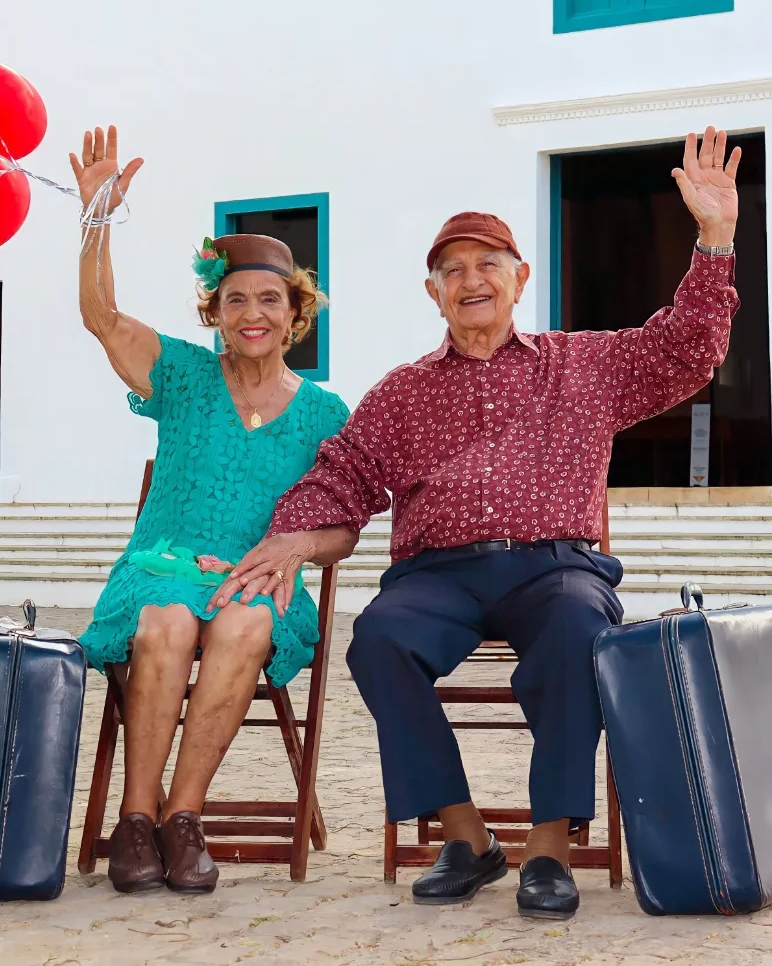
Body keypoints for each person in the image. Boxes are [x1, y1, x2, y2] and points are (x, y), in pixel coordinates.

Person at [212, 126, 742, 918]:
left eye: (487, 265)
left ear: (519, 277)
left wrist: (714, 240)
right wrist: (291, 534)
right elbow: (345, 474)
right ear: (433, 292)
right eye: (451, 271)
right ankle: (467, 838)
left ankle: (549, 850)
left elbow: (686, 353)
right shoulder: (402, 391)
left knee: (576, 633)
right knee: (379, 638)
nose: (470, 282)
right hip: (439, 575)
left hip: (555, 567)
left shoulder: (581, 364)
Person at [71, 125, 350, 896]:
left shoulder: (325, 414)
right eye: (235, 301)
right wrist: (96, 218)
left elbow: (347, 527)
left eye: (268, 299)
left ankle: (182, 819)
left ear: (295, 311)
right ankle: (135, 820)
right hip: (161, 564)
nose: (251, 314)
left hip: (262, 582)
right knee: (166, 619)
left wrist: (293, 547)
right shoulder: (185, 376)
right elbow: (102, 317)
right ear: (215, 311)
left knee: (246, 621)